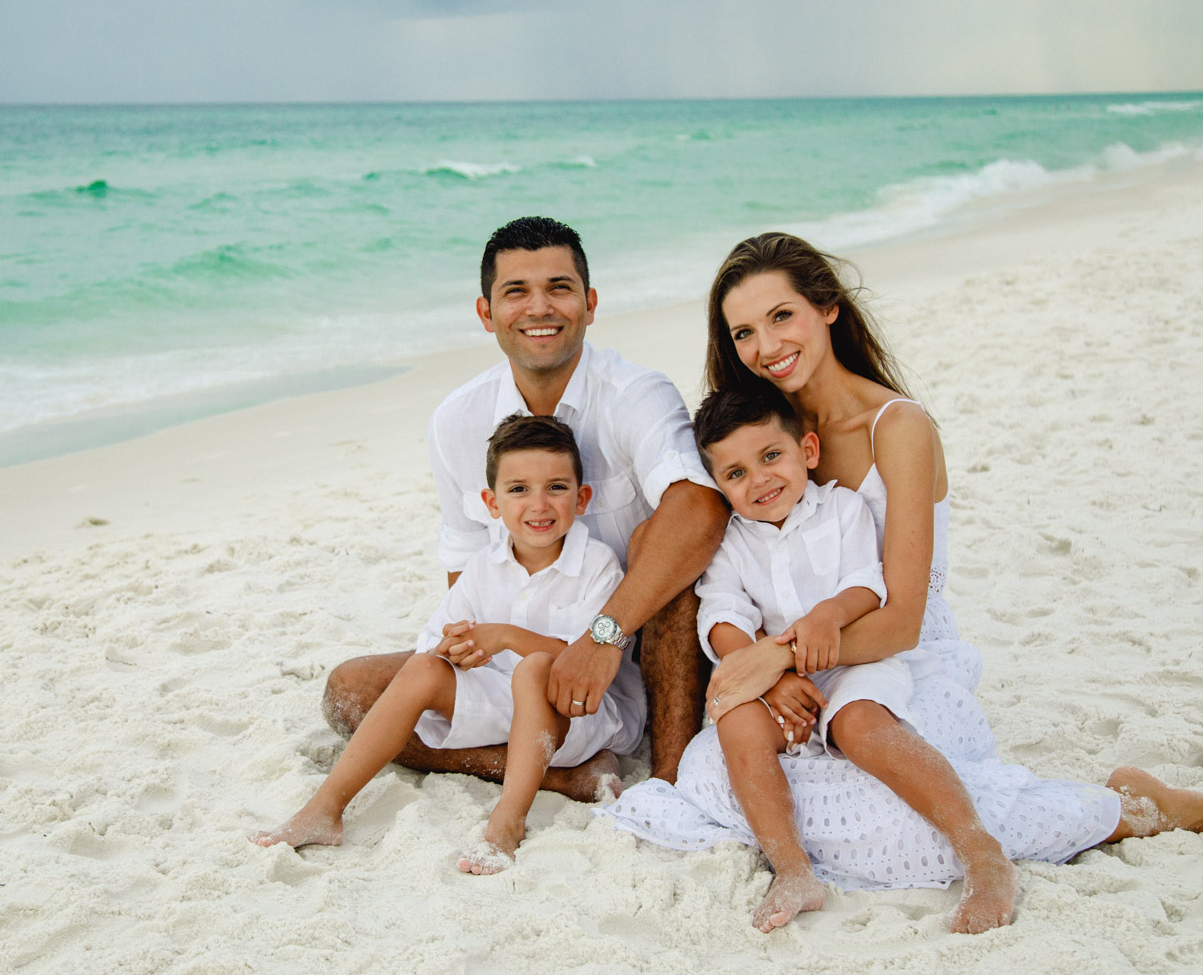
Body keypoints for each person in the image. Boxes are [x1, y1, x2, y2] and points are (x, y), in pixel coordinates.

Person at [603, 232, 1203, 934]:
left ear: (826, 308)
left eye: (781, 316)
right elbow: (716, 568)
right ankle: (800, 859)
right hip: (790, 670)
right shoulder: (757, 438)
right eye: (744, 333)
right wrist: (756, 658)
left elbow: (900, 620)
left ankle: (1125, 808)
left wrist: (776, 654)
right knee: (718, 778)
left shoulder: (896, 428)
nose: (766, 346)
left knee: (892, 820)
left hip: (898, 661)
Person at [322, 217, 728, 792]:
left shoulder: (636, 394)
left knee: (665, 548)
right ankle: (562, 777)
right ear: (487, 313)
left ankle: (668, 781)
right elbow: (466, 562)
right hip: (526, 663)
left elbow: (700, 509)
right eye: (516, 292)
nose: (540, 307)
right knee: (351, 693)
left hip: (647, 649)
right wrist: (473, 658)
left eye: (559, 288)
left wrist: (603, 638)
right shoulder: (458, 419)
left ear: (588, 303)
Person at [254, 414, 639, 873]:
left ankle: (507, 823)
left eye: (556, 487)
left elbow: (585, 663)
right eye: (518, 490)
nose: (538, 504)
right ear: (492, 503)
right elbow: (431, 641)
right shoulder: (484, 565)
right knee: (421, 669)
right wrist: (453, 647)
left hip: (578, 714)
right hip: (502, 703)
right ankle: (324, 809)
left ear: (582, 498)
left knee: (534, 667)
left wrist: (504, 635)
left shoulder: (598, 565)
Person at [690, 385, 907, 931]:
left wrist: (829, 614)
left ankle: (978, 848)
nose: (759, 480)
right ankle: (793, 869)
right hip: (773, 681)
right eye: (735, 474)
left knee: (860, 724)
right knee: (736, 721)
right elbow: (721, 616)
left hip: (851, 664)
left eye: (770, 457)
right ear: (719, 487)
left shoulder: (841, 508)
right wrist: (763, 680)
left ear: (807, 451)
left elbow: (868, 583)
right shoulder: (731, 542)